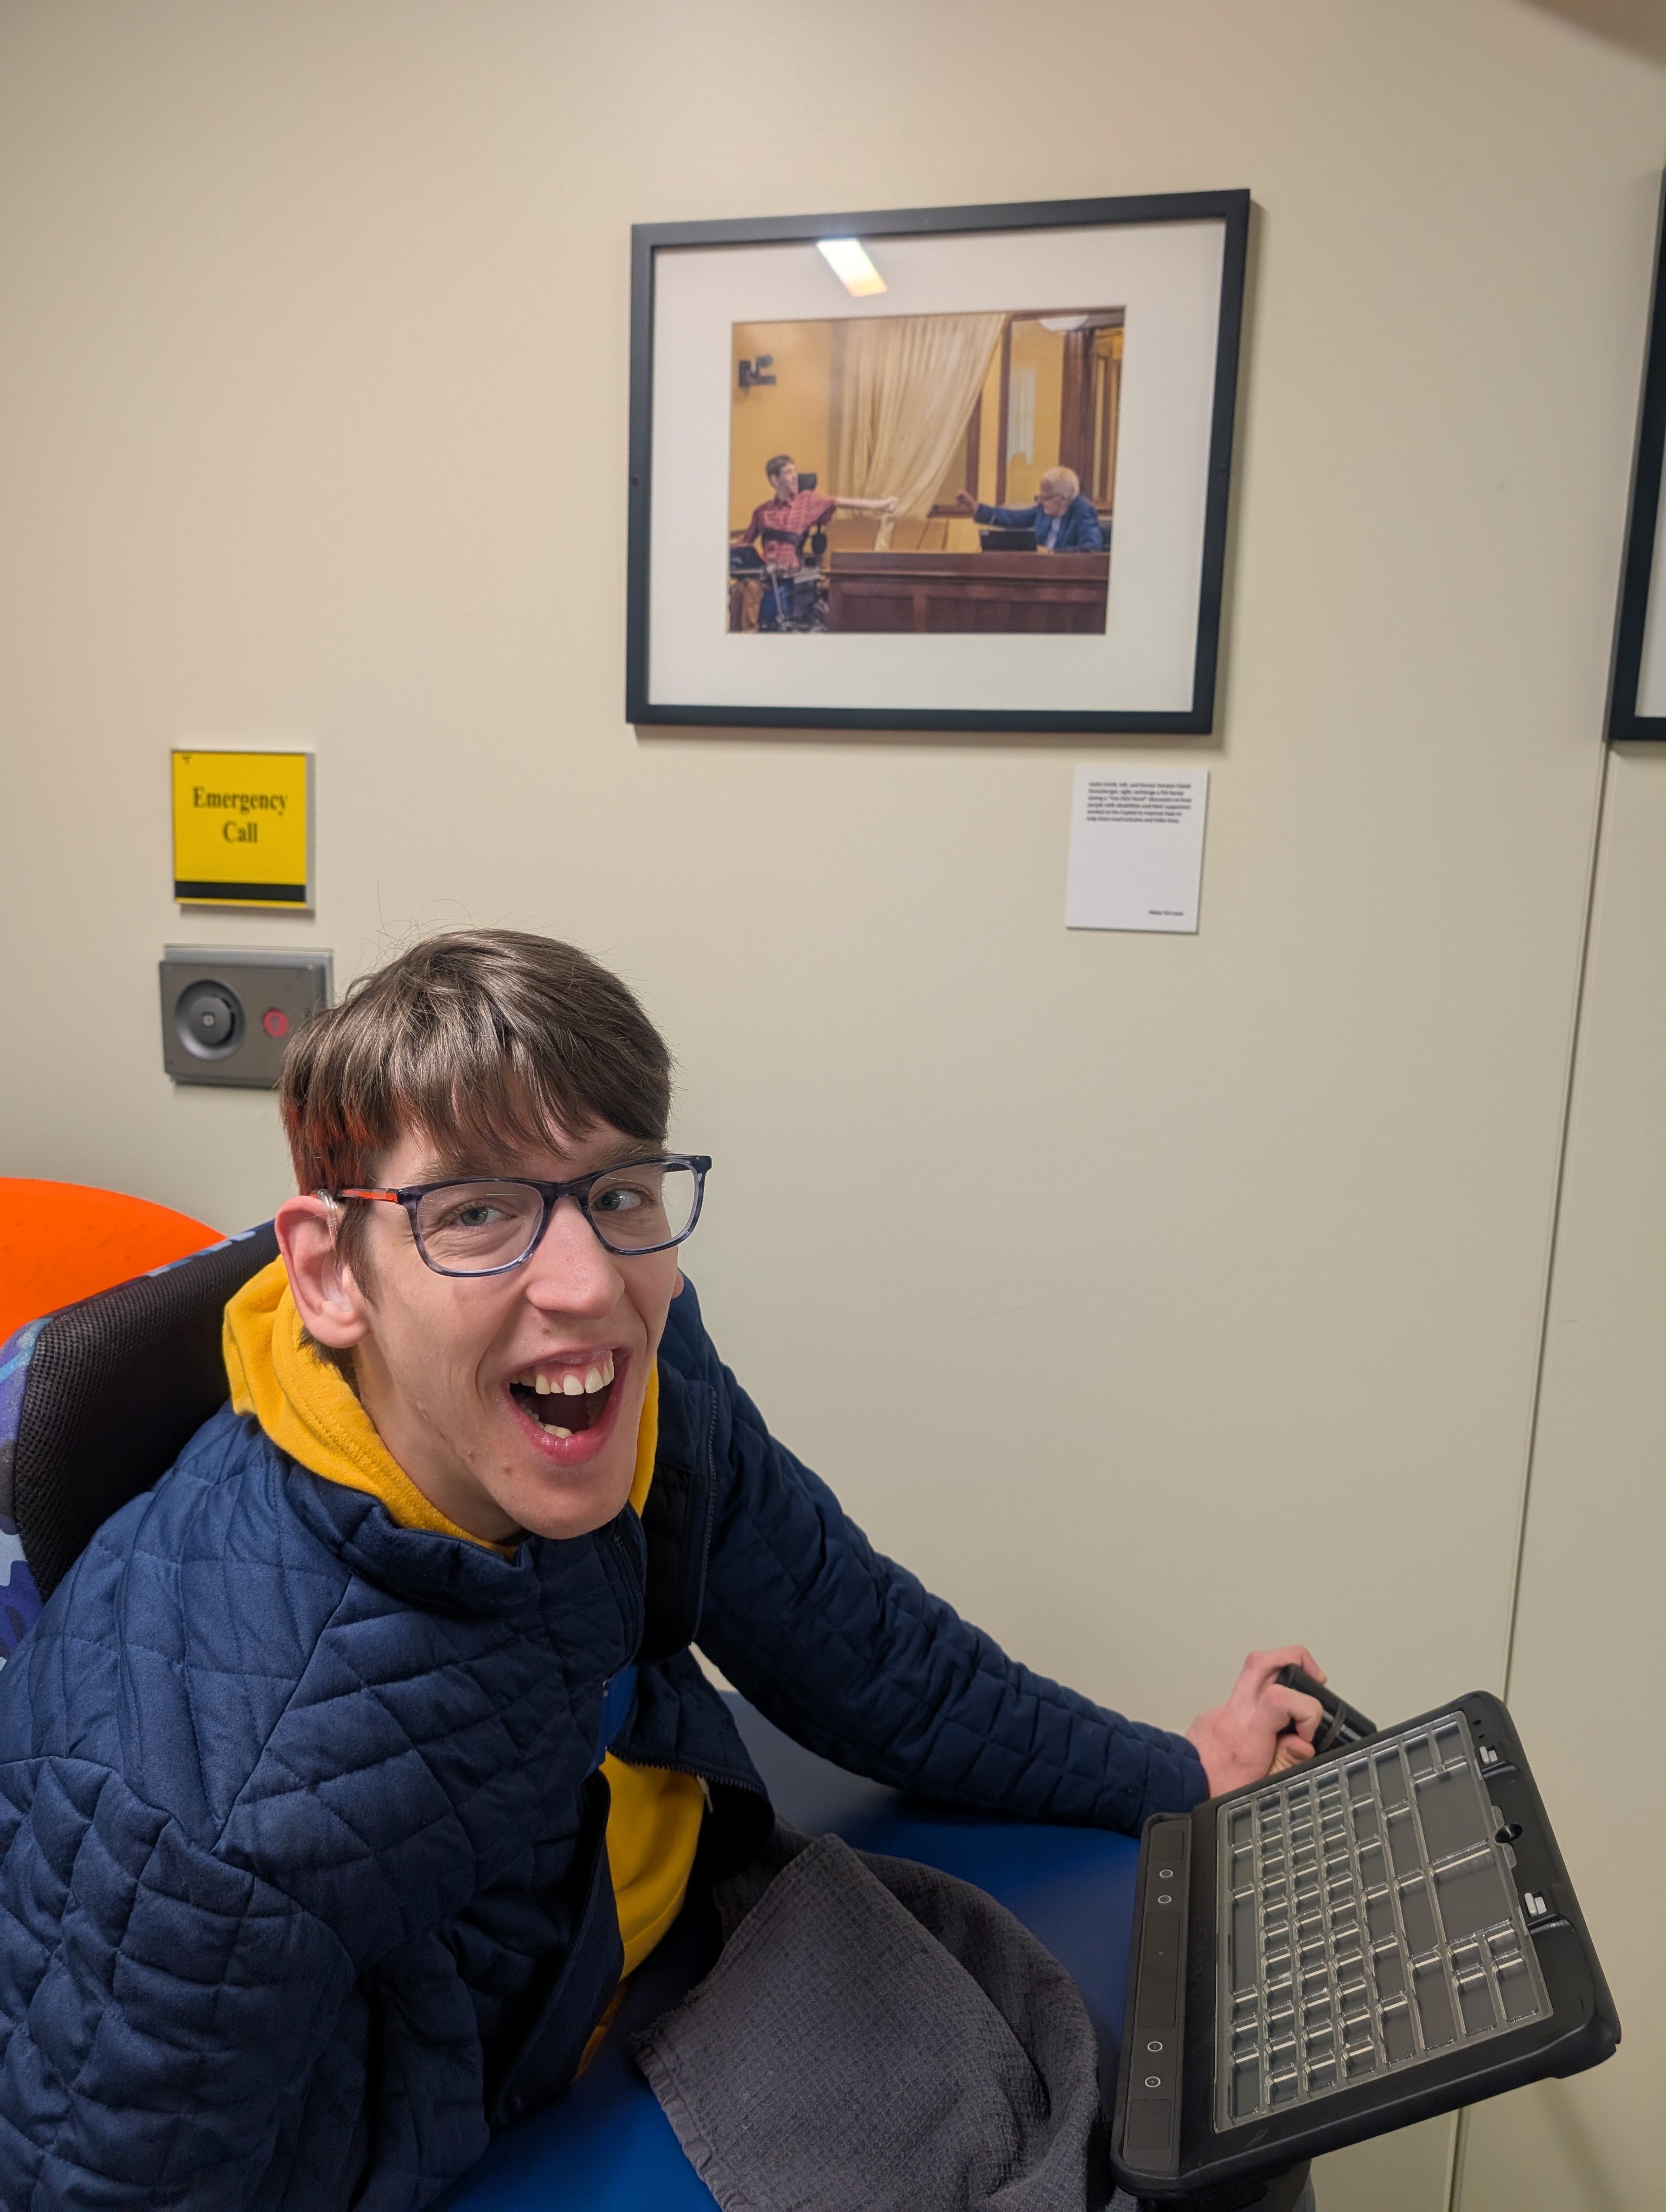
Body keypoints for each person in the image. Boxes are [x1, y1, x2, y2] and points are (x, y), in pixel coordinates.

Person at [0, 930, 1326, 2210]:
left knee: (1219, 2112)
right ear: (328, 1270)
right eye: (478, 1210)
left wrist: (1177, 1769)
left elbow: (851, 1636)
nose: (586, 1282)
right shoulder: (204, 1814)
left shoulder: (627, 1377)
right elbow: (101, 2165)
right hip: (480, 2107)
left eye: (618, 1191)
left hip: (664, 1911)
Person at [732, 453, 898, 625]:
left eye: (795, 471)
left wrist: (882, 505)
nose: (795, 476)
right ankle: (743, 637)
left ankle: (749, 636)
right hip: (767, 574)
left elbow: (841, 502)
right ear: (775, 481)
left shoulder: (807, 502)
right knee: (740, 590)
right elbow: (745, 543)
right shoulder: (762, 512)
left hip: (791, 572)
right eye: (789, 473)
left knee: (751, 590)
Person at [955, 462, 1106, 551]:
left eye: (1045, 498)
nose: (1040, 502)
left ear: (1064, 500)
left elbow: (1091, 550)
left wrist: (1052, 554)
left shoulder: (1083, 511)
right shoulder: (1043, 511)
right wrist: (976, 508)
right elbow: (1013, 518)